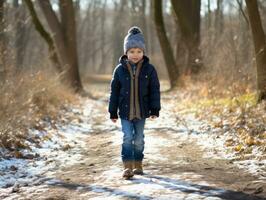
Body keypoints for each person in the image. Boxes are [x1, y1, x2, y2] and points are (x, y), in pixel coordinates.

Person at [108, 26, 161, 179]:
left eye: (139, 51)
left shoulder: (149, 69)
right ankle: (127, 167)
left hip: (142, 111)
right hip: (124, 112)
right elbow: (114, 92)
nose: (135, 54)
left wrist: (155, 109)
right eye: (132, 51)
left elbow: (154, 90)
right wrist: (112, 111)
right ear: (126, 53)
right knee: (127, 137)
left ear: (143, 52)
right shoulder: (119, 70)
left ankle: (138, 164)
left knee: (138, 140)